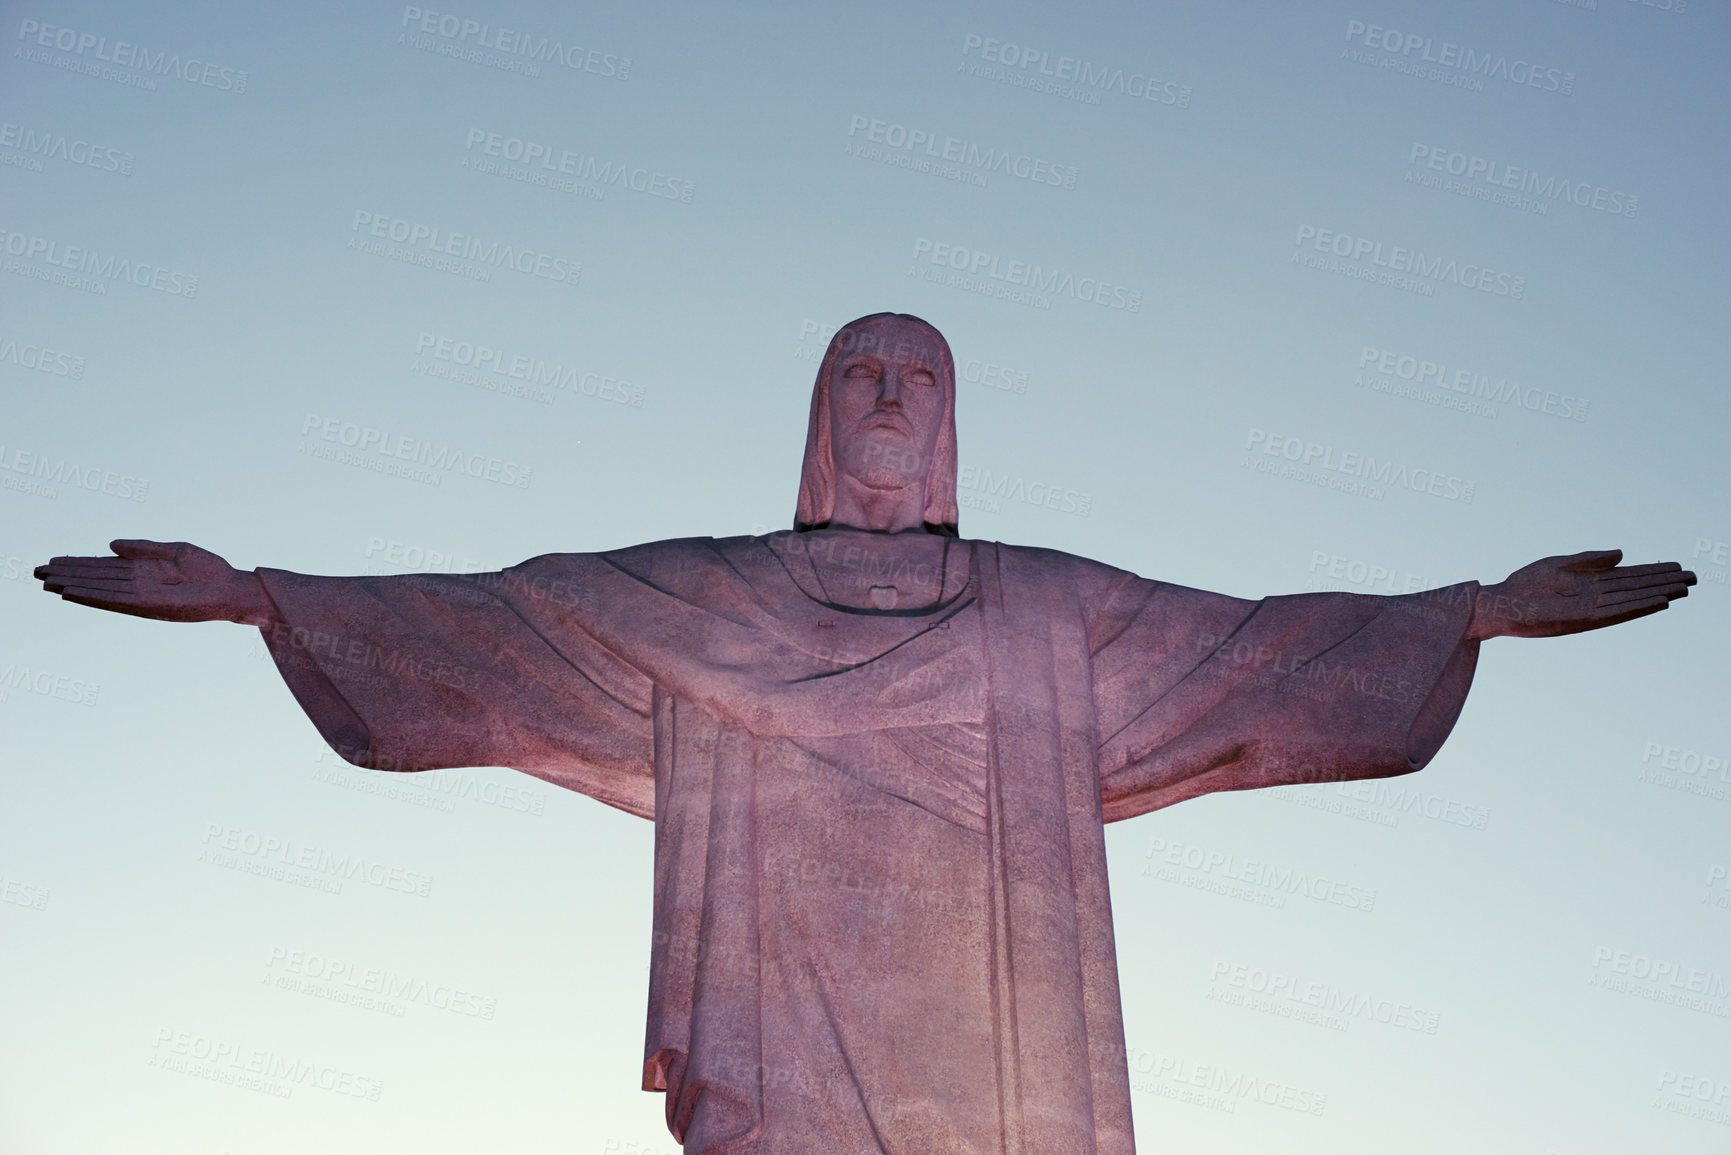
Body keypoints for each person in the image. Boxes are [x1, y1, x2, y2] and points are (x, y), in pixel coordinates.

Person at [36, 313, 1695, 1154]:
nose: (891, 397)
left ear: (952, 418)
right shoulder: (706, 596)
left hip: (991, 1048)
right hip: (788, 1041)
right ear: (822, 419)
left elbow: (1257, 650)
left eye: (918, 374)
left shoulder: (1048, 611)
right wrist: (263, 596)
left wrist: (1470, 611)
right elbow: (501, 619)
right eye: (862, 374)